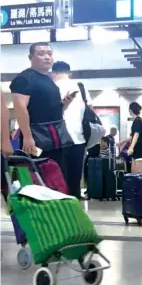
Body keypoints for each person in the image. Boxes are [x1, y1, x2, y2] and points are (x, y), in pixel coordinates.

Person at [10, 42, 77, 172]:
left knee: (57, 176)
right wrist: (28, 137)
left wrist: (65, 104)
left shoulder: (48, 79)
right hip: (37, 137)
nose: (47, 57)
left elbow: (52, 110)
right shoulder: (24, 78)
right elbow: (20, 109)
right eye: (41, 54)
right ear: (30, 57)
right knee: (41, 177)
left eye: (49, 54)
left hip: (56, 136)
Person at [51, 61, 89, 199]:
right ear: (69, 73)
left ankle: (61, 204)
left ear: (53, 73)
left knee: (59, 175)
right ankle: (75, 203)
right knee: (75, 175)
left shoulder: (53, 87)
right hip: (79, 137)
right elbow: (87, 109)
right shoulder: (81, 87)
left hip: (59, 138)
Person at [127, 102, 142, 174]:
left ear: (130, 110)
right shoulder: (138, 120)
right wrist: (122, 142)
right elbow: (132, 136)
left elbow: (136, 134)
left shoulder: (137, 120)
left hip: (140, 150)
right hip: (140, 149)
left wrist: (131, 147)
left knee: (138, 172)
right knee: (136, 171)